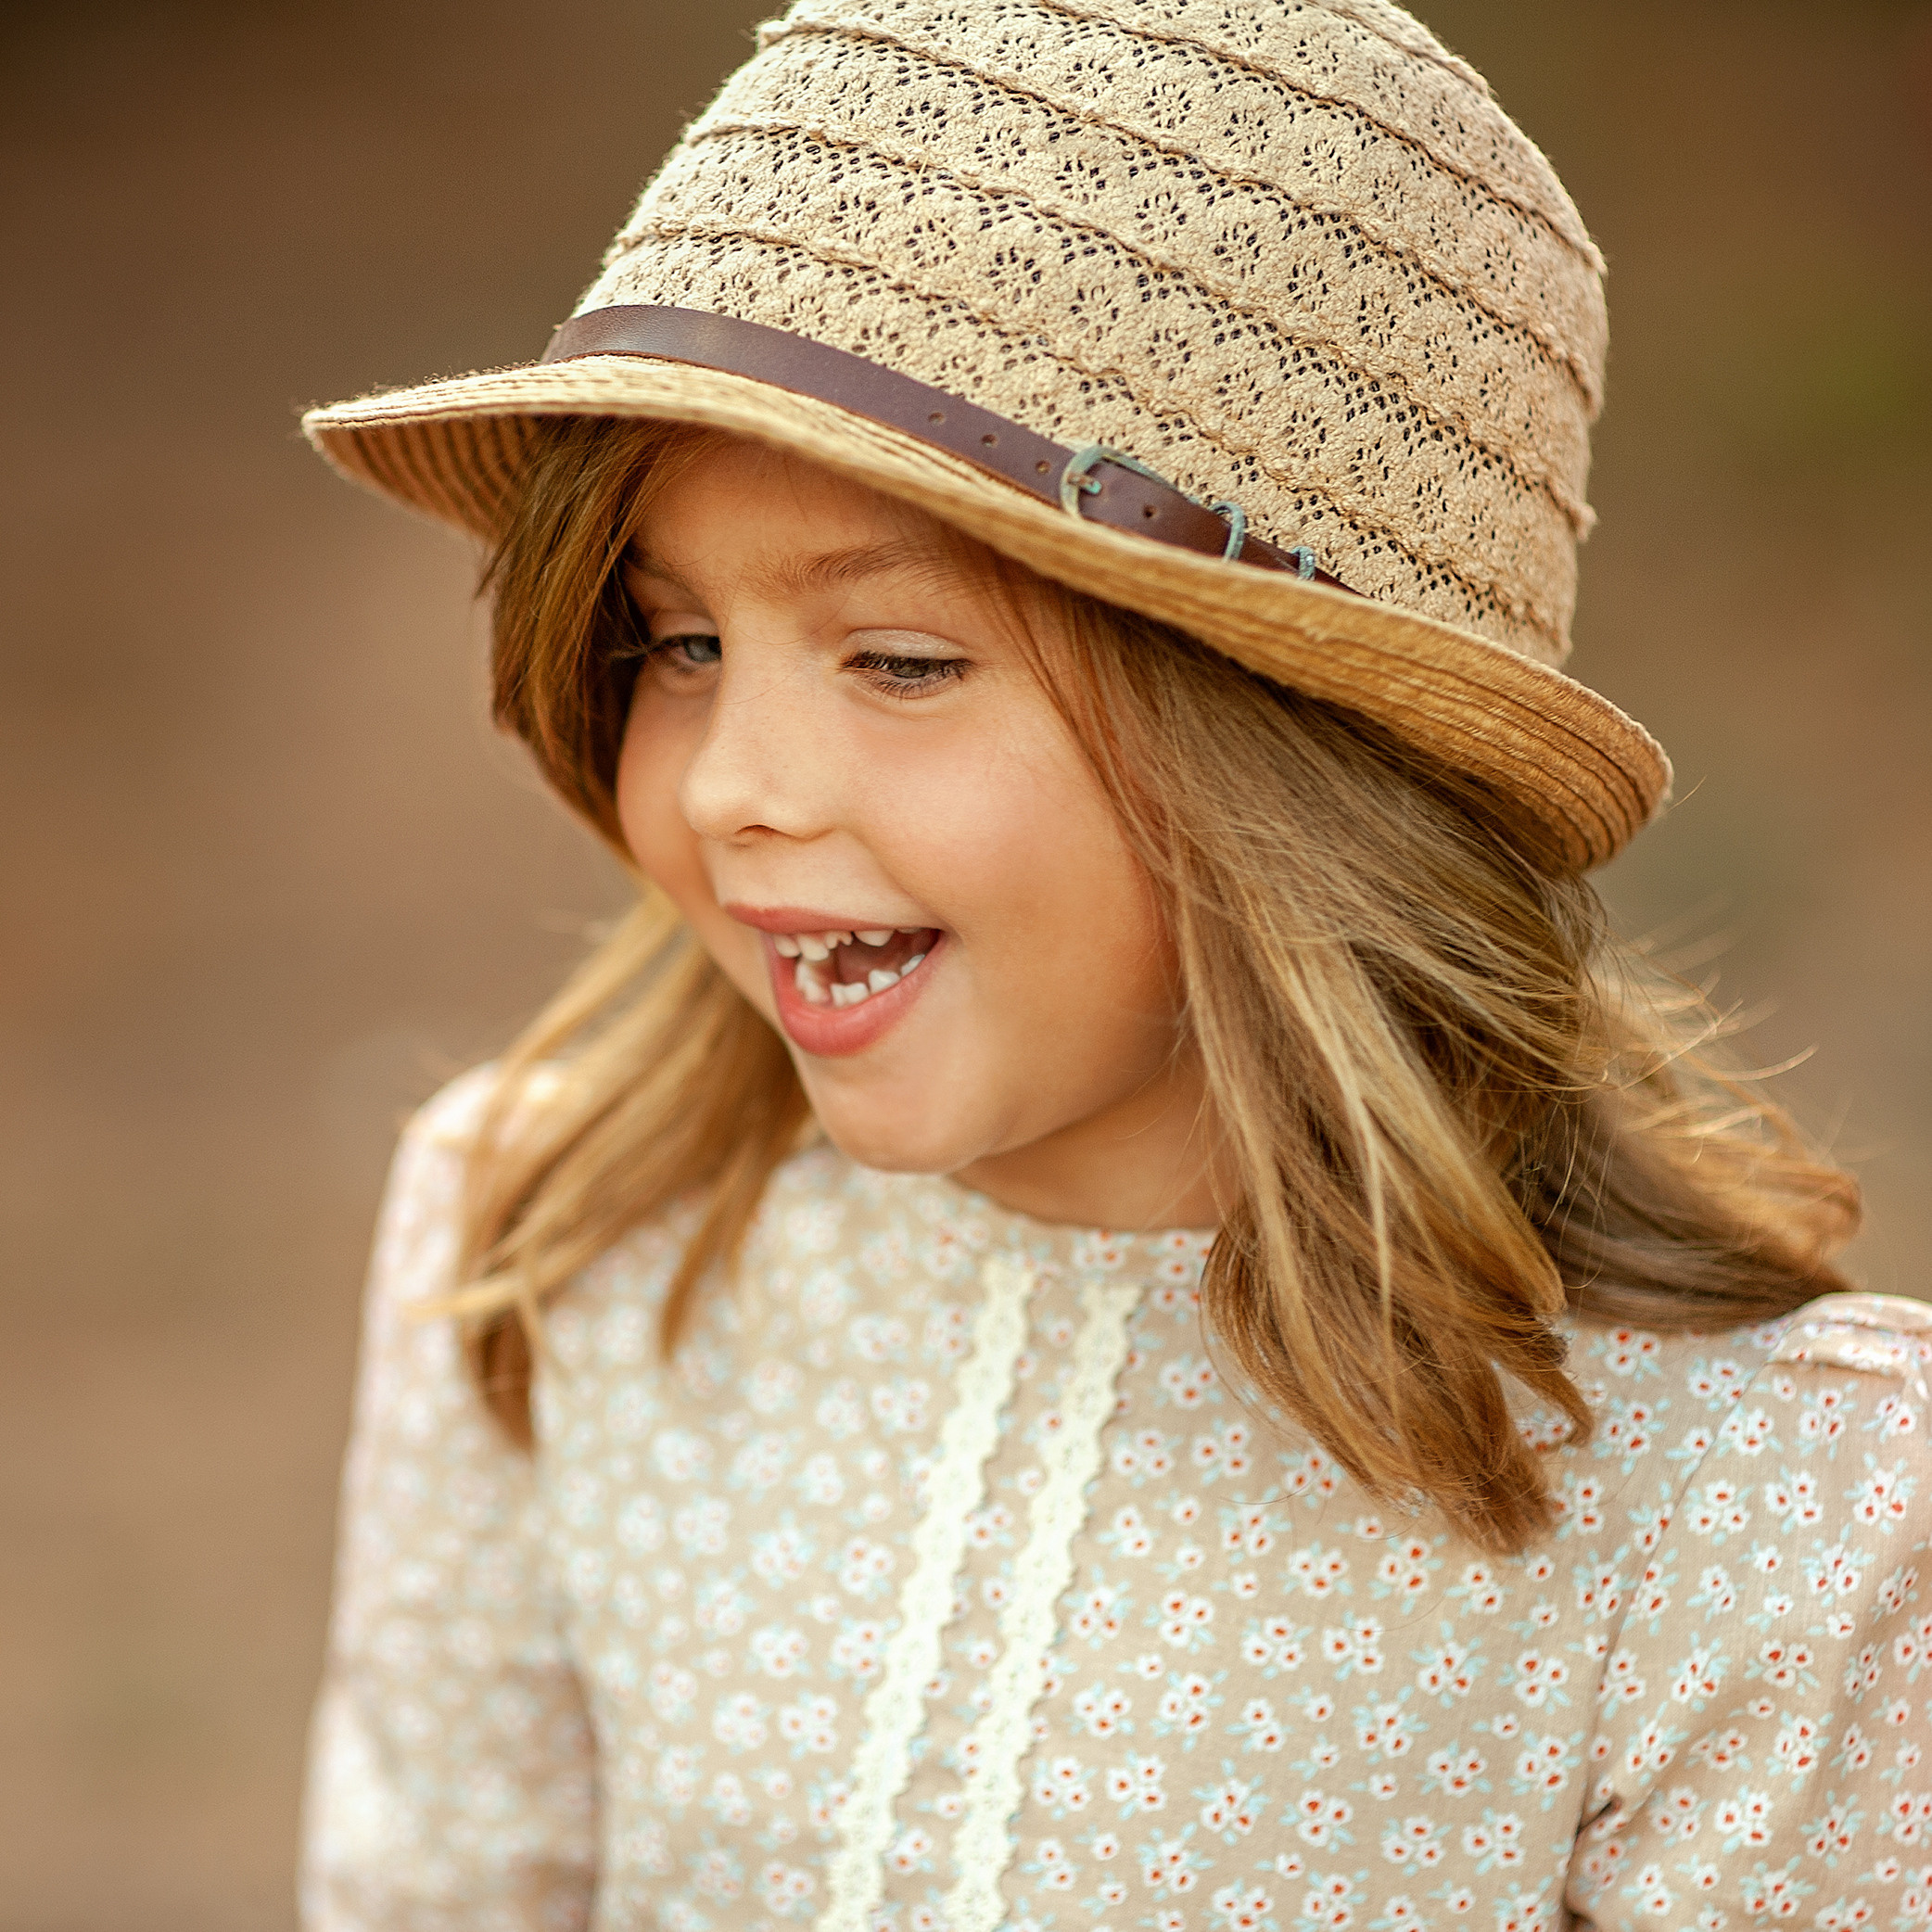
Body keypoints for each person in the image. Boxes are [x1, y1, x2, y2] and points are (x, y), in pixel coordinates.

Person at [297, 3, 1932, 1926]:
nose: (733, 786)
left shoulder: (1749, 1500)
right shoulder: (555, 1245)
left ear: (1294, 759)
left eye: (899, 662)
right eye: (674, 646)